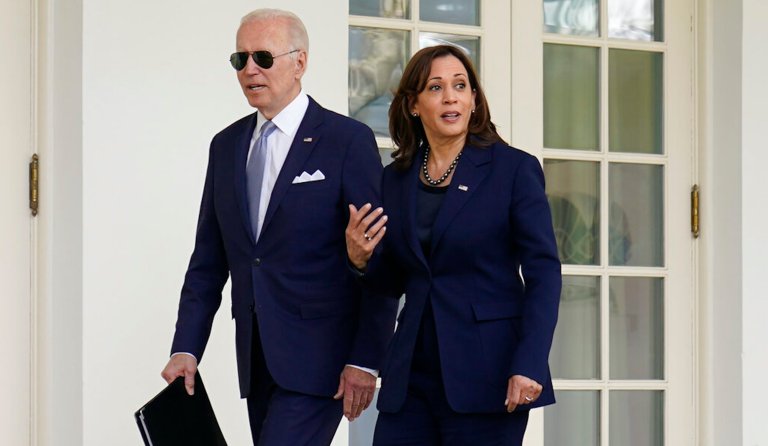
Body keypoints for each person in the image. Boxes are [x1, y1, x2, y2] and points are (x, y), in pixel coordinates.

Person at [161, 9, 398, 445]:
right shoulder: (226, 146)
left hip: (322, 364)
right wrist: (186, 349)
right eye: (241, 59)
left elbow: (380, 258)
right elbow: (209, 261)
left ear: (300, 62)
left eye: (263, 58)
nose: (250, 69)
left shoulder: (347, 141)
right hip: (256, 360)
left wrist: (366, 359)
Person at [346, 44, 562, 445]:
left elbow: (544, 274)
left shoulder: (513, 170)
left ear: (474, 100)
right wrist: (361, 260)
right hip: (411, 376)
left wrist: (529, 363)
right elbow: (393, 280)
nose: (450, 97)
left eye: (460, 86)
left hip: (488, 375)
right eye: (435, 87)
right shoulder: (395, 178)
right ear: (413, 104)